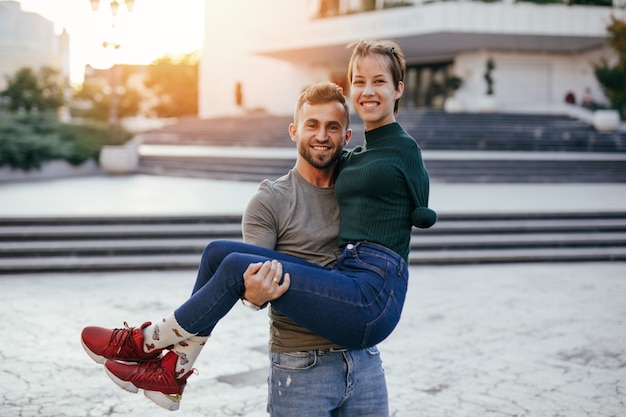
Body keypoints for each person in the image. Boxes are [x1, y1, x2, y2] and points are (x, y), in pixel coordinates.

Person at [81, 39, 436, 412]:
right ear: (294, 130)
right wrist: (253, 292)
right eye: (359, 81)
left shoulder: (385, 152)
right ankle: (174, 369)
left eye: (379, 81)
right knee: (218, 251)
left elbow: (416, 196)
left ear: (398, 89)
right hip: (323, 323)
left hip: (370, 301)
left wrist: (420, 211)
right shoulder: (299, 186)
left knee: (233, 262)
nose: (367, 91)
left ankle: (145, 343)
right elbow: (253, 293)